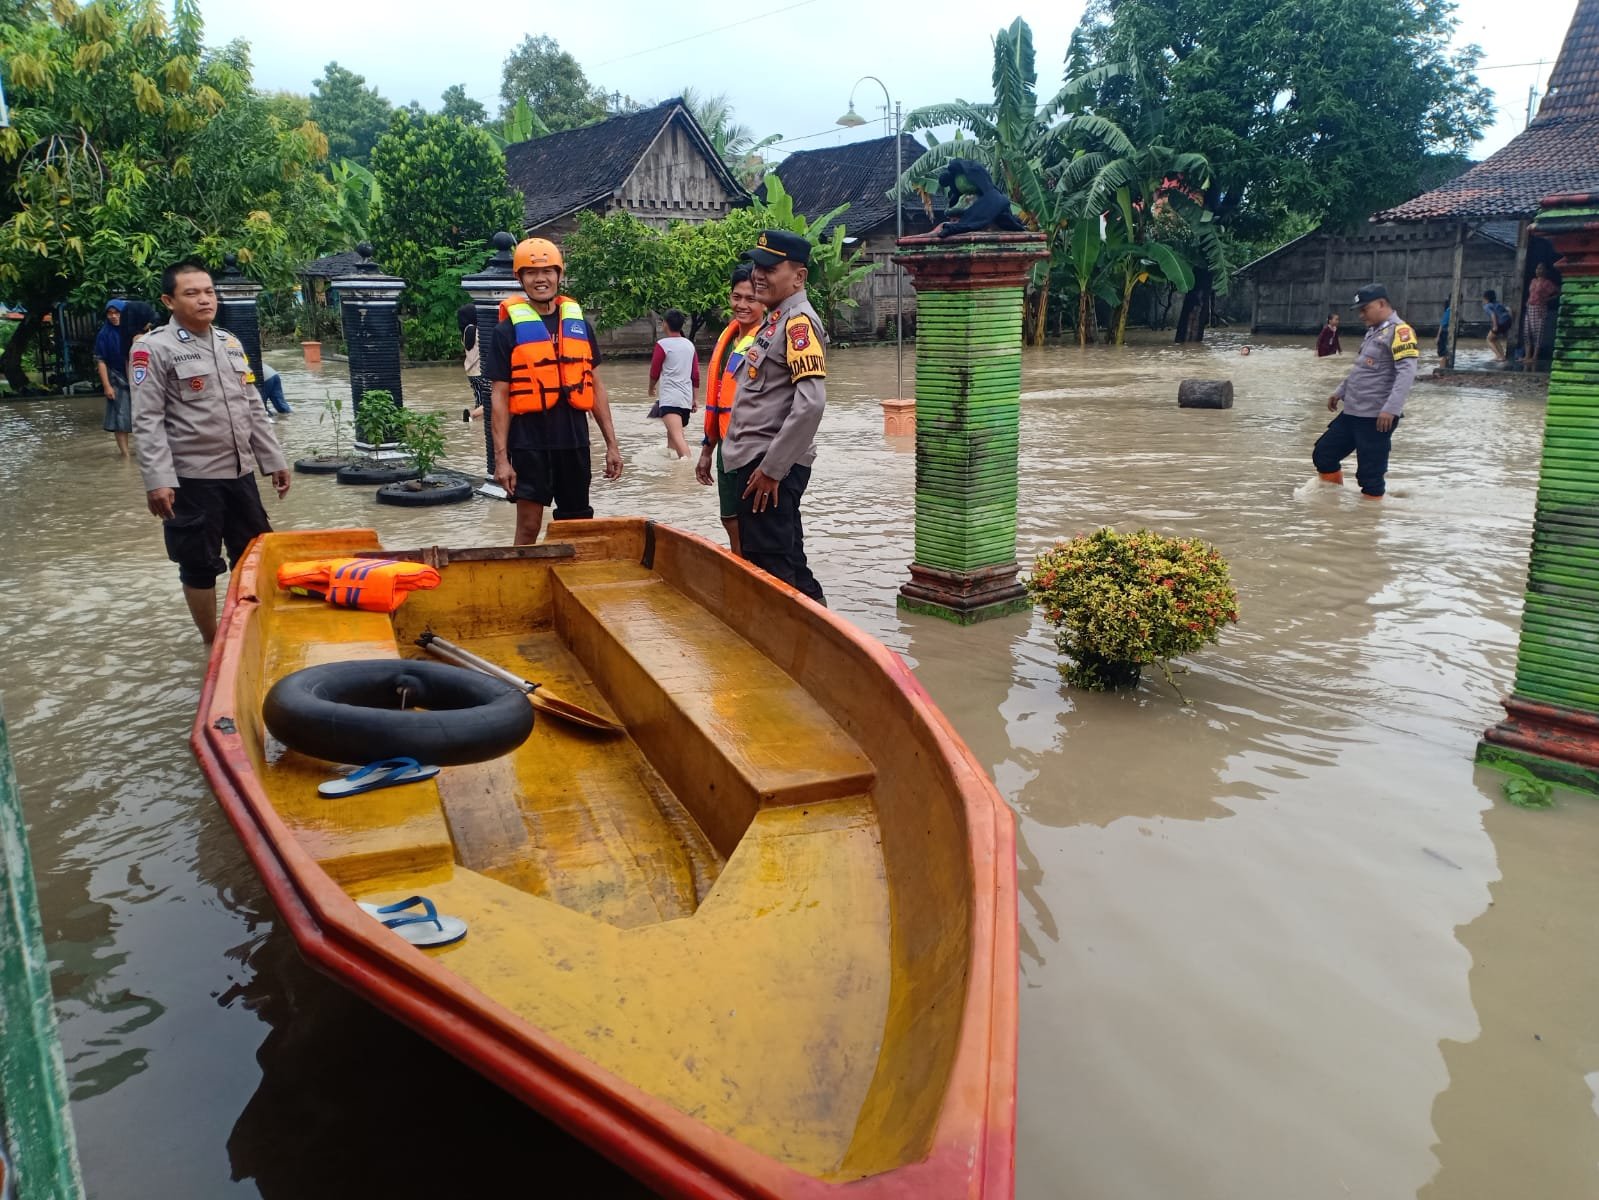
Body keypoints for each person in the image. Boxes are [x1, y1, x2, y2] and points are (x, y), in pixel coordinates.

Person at [133, 259, 291, 643]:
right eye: (192, 293)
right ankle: (212, 641)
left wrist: (273, 461)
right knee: (199, 564)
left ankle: (249, 631)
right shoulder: (153, 349)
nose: (205, 299)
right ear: (169, 300)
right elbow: (147, 419)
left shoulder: (229, 344)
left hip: (239, 473)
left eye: (209, 292)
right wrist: (158, 481)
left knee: (255, 553)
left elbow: (252, 404)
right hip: (192, 478)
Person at [486, 237, 623, 546]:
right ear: (519, 278)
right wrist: (501, 460)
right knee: (528, 526)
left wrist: (612, 444)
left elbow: (596, 387)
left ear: (560, 275)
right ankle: (521, 587)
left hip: (573, 442)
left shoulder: (579, 325)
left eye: (548, 271)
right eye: (531, 273)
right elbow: (499, 397)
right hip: (530, 444)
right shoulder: (506, 331)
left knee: (577, 526)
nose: (540, 279)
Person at [720, 229, 827, 604]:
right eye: (756, 265)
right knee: (787, 566)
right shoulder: (776, 320)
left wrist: (772, 470)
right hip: (757, 465)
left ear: (798, 277)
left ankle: (797, 652)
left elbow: (811, 403)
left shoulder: (798, 324)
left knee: (774, 572)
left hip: (768, 469)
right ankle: (827, 643)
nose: (758, 274)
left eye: (770, 267)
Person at [1312, 283, 1418, 500]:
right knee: (1324, 454)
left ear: (1381, 304)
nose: (1361, 315)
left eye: (1364, 309)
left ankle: (1368, 525)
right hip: (1352, 411)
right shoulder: (1373, 332)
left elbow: (1406, 374)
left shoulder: (1401, 332)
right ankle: (1331, 502)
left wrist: (1391, 409)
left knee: (1370, 476)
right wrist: (1340, 391)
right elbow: (1362, 369)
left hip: (1376, 417)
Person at [696, 265, 765, 554]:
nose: (742, 305)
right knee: (729, 517)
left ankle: (753, 572)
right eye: (737, 297)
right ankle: (739, 562)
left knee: (757, 524)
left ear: (764, 300)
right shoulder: (729, 339)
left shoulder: (767, 341)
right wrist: (706, 451)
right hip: (726, 443)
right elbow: (718, 400)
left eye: (751, 299)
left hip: (753, 447)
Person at [647, 309, 700, 459]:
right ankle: (672, 473)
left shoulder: (662, 344)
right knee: (672, 437)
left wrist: (651, 387)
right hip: (685, 400)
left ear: (665, 324)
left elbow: (654, 371)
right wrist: (696, 399)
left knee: (678, 438)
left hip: (670, 399)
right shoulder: (689, 345)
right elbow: (695, 375)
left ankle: (688, 471)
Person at [94, 300, 132, 456]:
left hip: (138, 378)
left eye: (117, 313)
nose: (113, 316)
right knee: (120, 417)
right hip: (116, 377)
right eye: (110, 313)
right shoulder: (104, 334)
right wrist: (106, 386)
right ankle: (126, 454)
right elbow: (101, 360)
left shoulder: (133, 331)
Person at [1522, 264, 1559, 373]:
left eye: (1541, 268)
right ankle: (1527, 356)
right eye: (1537, 268)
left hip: (1540, 308)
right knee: (1527, 331)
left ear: (1545, 271)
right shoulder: (1533, 281)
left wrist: (1547, 299)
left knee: (1537, 332)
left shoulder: (1547, 283)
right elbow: (1531, 294)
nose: (1538, 270)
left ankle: (1534, 357)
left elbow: (1558, 291)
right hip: (1529, 307)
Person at [1482, 289, 1512, 362]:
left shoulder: (1487, 306)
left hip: (1500, 322)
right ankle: (1502, 356)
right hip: (1508, 321)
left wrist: (1495, 326)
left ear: (1486, 298)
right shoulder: (1498, 303)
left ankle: (1499, 356)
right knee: (1494, 339)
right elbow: (1508, 309)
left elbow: (1493, 315)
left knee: (1489, 339)